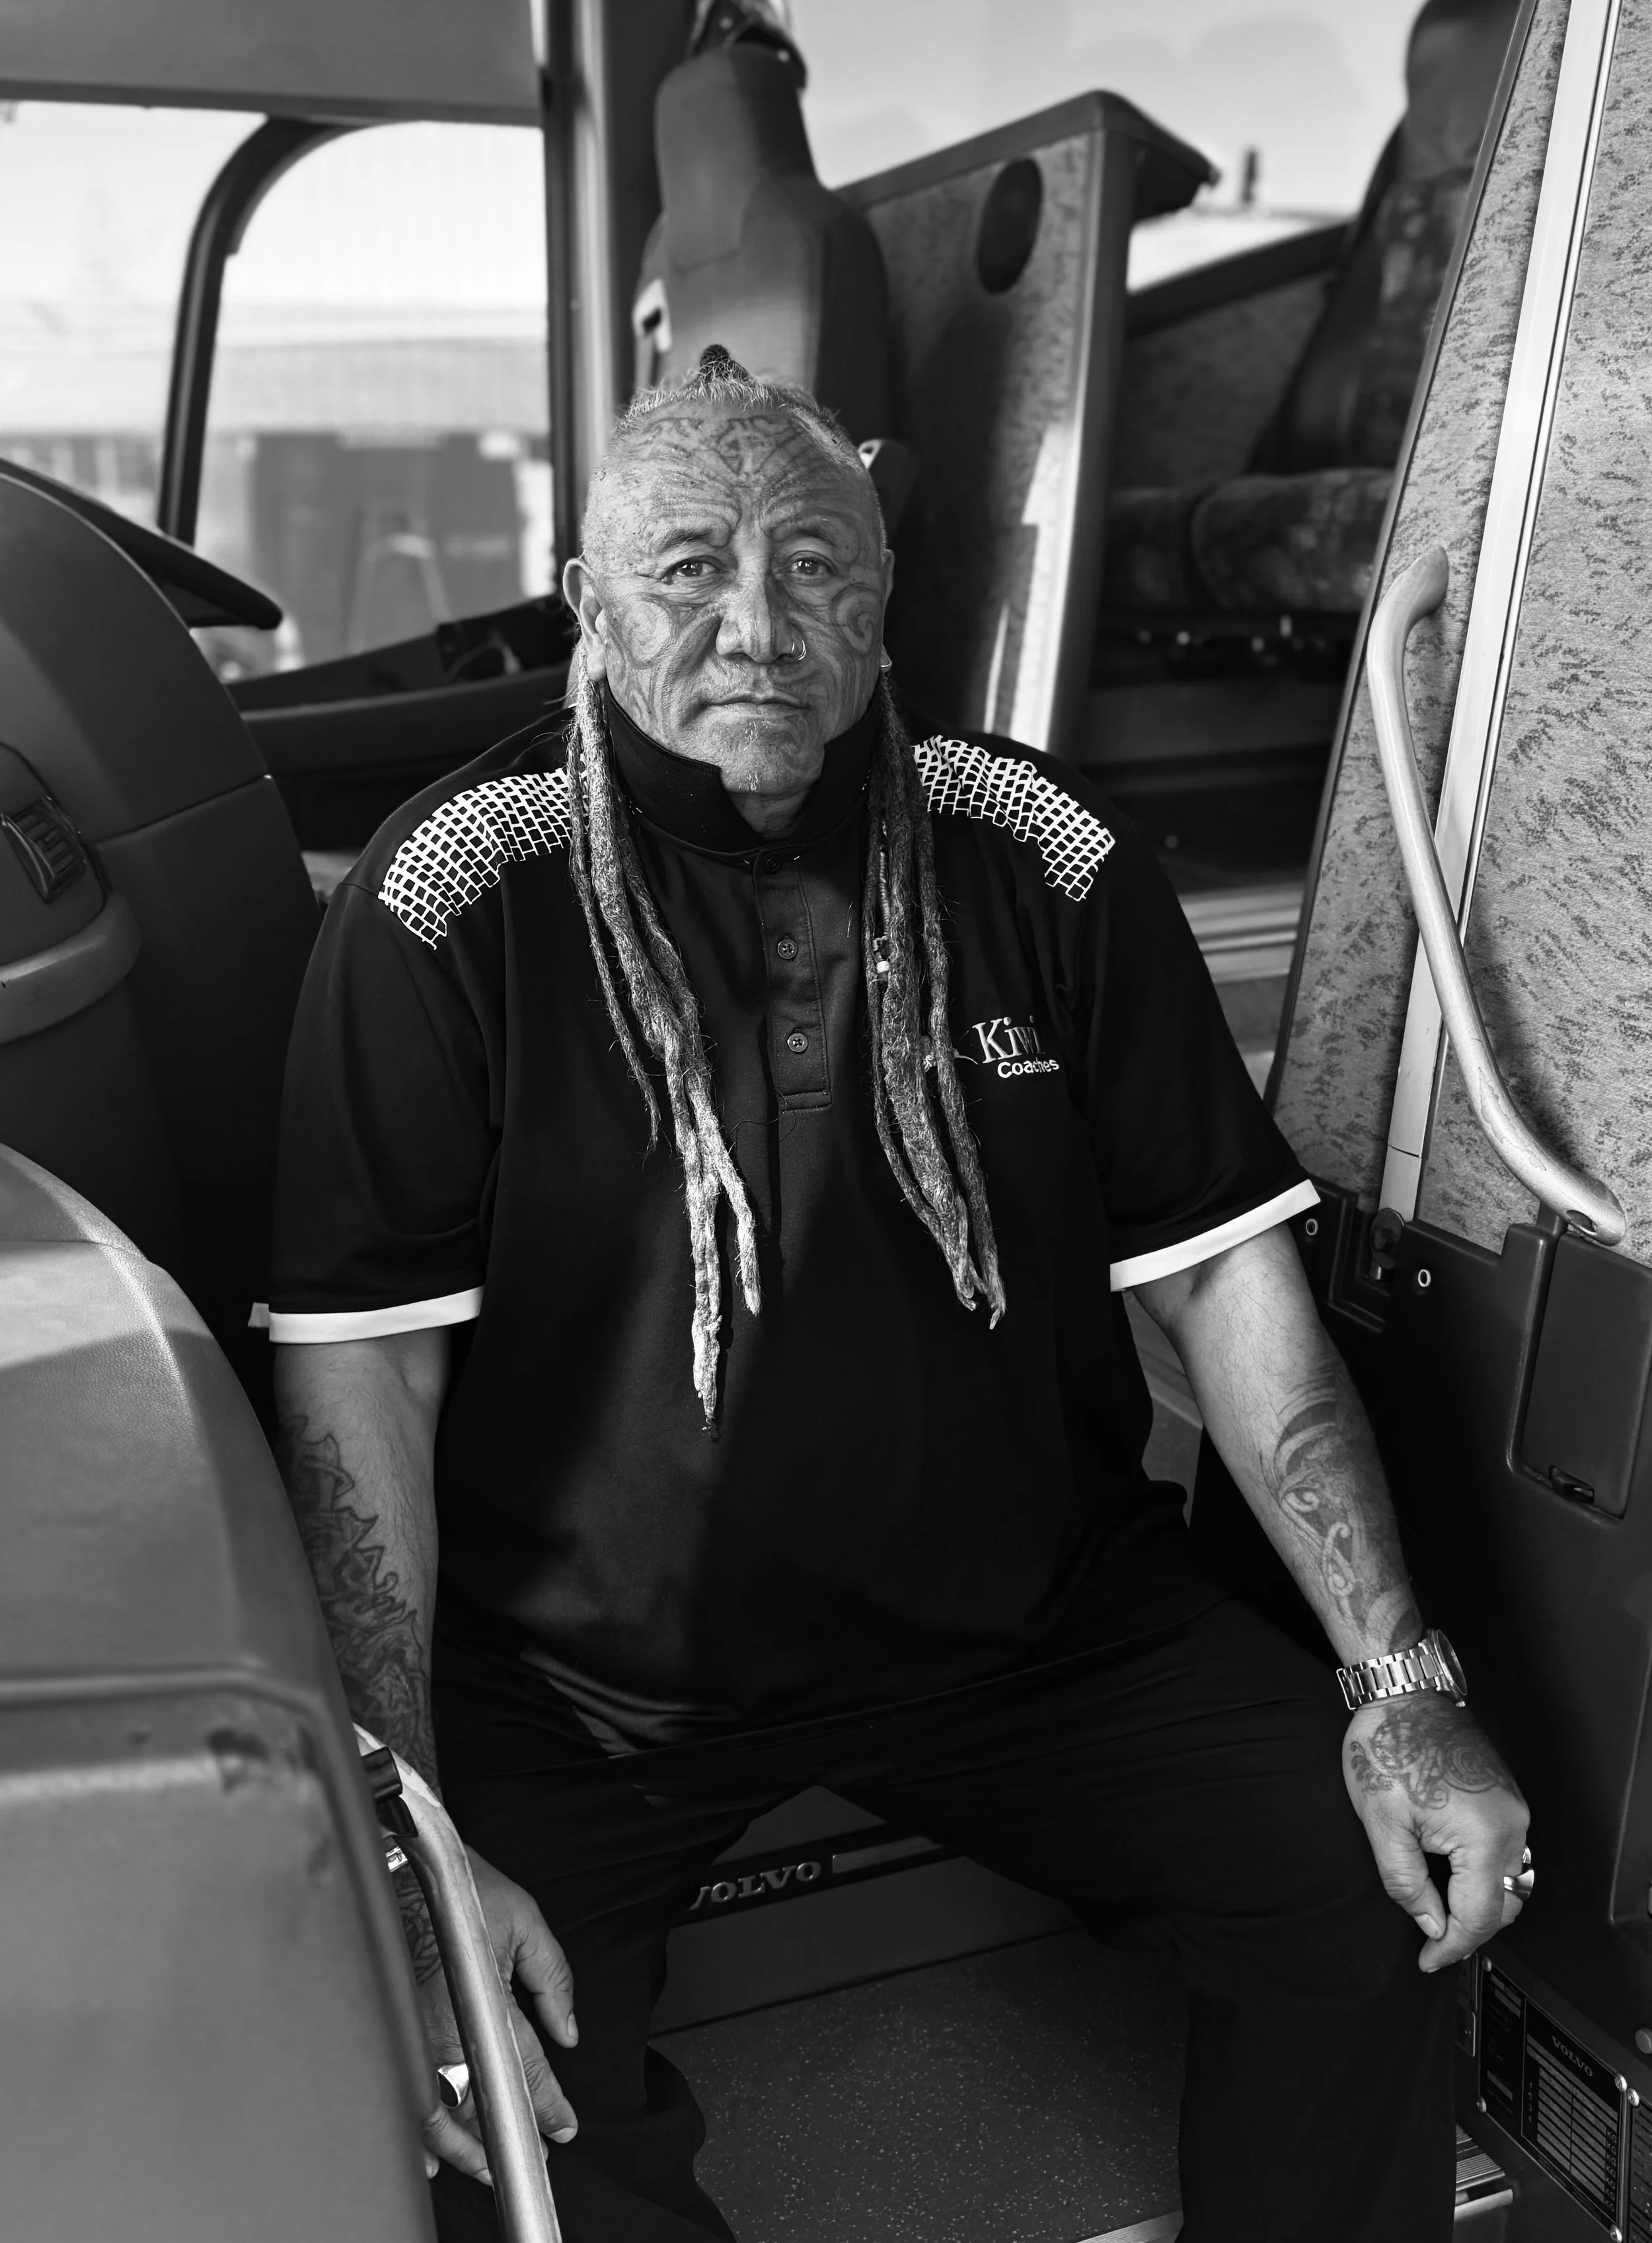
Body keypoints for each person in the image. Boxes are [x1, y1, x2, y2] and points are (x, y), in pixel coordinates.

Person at [270, 348, 1529, 2243]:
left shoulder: (1038, 850)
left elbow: (1229, 1295)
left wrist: (1397, 1674)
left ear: (883, 601)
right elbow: (368, 1397)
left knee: (1367, 1882)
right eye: (688, 570)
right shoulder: (450, 897)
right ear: (586, 602)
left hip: (1036, 1634)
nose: (755, 626)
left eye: (813, 568)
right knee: (478, 2076)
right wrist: (408, 1826)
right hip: (583, 1687)